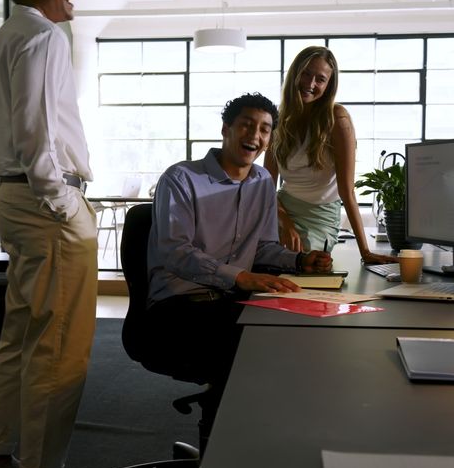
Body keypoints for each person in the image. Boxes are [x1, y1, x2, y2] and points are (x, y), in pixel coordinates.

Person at [0, 0, 103, 468]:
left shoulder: (7, 35)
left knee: (22, 337)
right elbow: (36, 131)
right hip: (46, 203)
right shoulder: (44, 35)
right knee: (59, 347)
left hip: (15, 196)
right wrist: (63, 202)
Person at [144, 93, 333, 393]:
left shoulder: (262, 181)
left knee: (306, 330)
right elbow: (174, 251)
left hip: (232, 300)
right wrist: (240, 277)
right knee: (258, 351)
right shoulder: (180, 178)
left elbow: (263, 246)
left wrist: (298, 260)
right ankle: (229, 419)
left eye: (264, 129)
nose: (255, 135)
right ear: (226, 129)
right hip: (179, 305)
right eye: (246, 125)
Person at [266, 46, 396, 265]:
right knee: (264, 256)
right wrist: (285, 222)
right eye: (306, 73)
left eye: (320, 79)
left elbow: (347, 192)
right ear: (295, 74)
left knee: (303, 262)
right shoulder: (278, 119)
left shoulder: (337, 118)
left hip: (320, 215)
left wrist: (365, 252)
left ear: (328, 86)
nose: (310, 83)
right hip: (281, 209)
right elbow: (267, 186)